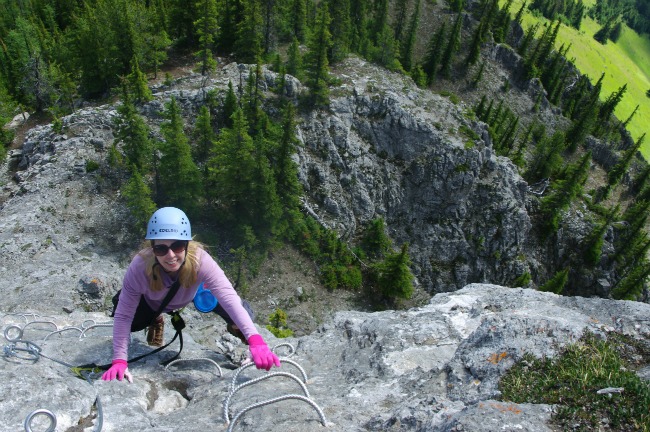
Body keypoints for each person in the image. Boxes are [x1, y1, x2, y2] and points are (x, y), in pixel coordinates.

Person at [102, 207, 280, 382]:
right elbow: (124, 316)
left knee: (240, 312)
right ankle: (156, 318)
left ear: (187, 244)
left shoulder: (200, 260)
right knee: (131, 321)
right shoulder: (140, 266)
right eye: (161, 249)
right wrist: (119, 360)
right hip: (153, 301)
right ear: (152, 248)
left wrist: (256, 342)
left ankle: (203, 291)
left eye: (177, 246)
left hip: (191, 289)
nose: (170, 255)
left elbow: (228, 296)